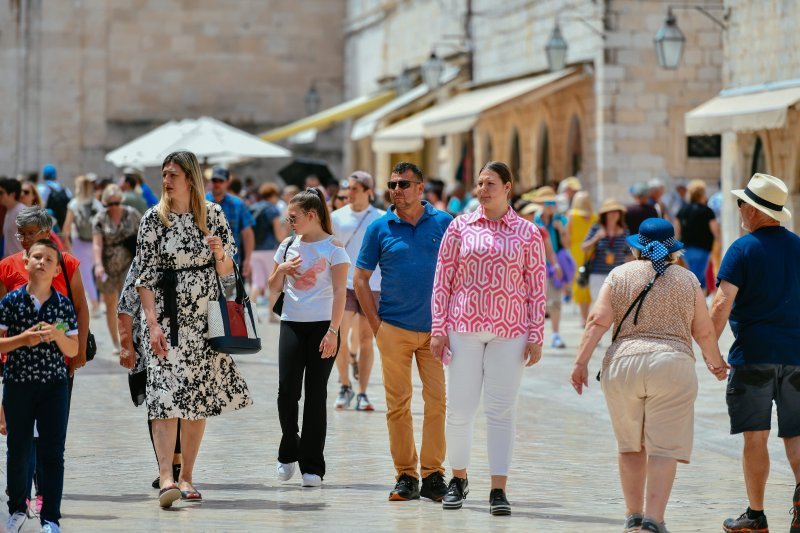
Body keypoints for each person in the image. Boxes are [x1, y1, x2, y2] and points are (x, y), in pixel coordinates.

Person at [570, 217, 728, 533]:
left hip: (624, 364)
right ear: (673, 250)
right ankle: (654, 520)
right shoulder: (688, 280)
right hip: (672, 365)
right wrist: (716, 363)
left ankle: (633, 517)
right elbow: (704, 331)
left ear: (637, 247)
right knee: (664, 446)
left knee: (630, 444)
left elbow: (597, 321)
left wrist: (581, 363)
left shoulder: (619, 274)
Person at [136, 150, 252, 509]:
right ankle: (167, 477)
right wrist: (151, 324)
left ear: (190, 178)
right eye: (164, 174)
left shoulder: (213, 214)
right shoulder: (154, 219)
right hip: (165, 320)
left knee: (196, 399)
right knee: (164, 397)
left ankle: (187, 476)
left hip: (204, 320)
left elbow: (228, 272)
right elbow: (144, 277)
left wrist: (219, 253)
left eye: (173, 174)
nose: (167, 180)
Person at [431, 161, 546, 515]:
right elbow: (442, 279)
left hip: (510, 331)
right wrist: (438, 329)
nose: (483, 189)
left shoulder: (528, 232)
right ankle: (459, 478)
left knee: (501, 412)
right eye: (479, 183)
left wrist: (535, 333)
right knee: (460, 409)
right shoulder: (459, 227)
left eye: (490, 183)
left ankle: (499, 488)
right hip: (462, 327)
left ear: (508, 187)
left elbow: (536, 284)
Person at [354, 162, 453, 502]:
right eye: (392, 184)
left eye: (404, 184)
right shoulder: (380, 228)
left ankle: (434, 474)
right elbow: (360, 278)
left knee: (437, 402)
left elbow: (459, 273)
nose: (397, 190)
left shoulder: (445, 223)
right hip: (393, 328)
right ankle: (406, 475)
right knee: (398, 405)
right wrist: (375, 324)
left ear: (421, 188)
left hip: (437, 331)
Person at [708, 173, 800, 533]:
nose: (739, 210)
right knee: (795, 433)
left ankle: (756, 516)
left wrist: (708, 350)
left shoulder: (742, 249)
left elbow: (721, 304)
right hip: (797, 356)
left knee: (756, 436)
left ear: (752, 209)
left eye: (741, 203)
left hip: (753, 357)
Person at [268, 188, 349, 487]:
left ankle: (312, 465)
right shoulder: (287, 245)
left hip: (323, 327)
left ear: (311, 216)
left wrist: (333, 331)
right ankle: (289, 449)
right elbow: (271, 288)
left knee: (316, 395)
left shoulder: (333, 249)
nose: (289, 222)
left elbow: (341, 292)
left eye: (293, 217)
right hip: (291, 323)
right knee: (287, 392)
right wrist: (283, 270)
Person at [2, 239, 79, 533]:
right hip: (18, 384)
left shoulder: (62, 305)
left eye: (48, 259)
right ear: (25, 262)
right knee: (17, 448)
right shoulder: (10, 303)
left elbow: (72, 348)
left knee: (52, 451)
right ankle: (17, 509)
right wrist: (24, 339)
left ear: (57, 268)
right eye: (36, 257)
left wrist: (56, 337)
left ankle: (51, 518)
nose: (42, 262)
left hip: (53, 387)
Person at [117, 257, 183, 490]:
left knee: (183, 401)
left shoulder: (193, 250)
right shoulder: (145, 256)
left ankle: (177, 463)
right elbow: (126, 302)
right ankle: (167, 466)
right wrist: (126, 344)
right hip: (148, 345)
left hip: (185, 341)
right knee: (157, 400)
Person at [0, 207, 89, 376]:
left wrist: (80, 349)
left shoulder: (67, 264)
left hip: (60, 357)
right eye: (21, 234)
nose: (24, 240)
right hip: (17, 360)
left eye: (30, 233)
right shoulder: (6, 267)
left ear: (47, 232)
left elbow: (81, 308)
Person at [330, 171, 385, 411]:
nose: (349, 193)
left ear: (368, 191)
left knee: (365, 340)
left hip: (373, 287)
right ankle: (344, 385)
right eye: (348, 188)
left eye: (354, 189)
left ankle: (362, 392)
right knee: (340, 337)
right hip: (345, 286)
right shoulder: (336, 217)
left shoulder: (381, 218)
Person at [93, 184, 141, 354]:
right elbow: (97, 244)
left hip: (129, 263)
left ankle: (131, 338)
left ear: (121, 200)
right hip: (108, 265)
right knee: (111, 303)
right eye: (109, 204)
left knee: (129, 301)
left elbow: (144, 236)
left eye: (116, 202)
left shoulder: (132, 214)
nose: (113, 207)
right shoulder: (99, 218)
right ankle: (116, 341)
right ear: (105, 203)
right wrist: (98, 264)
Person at [60, 175, 102, 317]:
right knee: (94, 272)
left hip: (80, 243)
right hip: (95, 242)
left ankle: (95, 304)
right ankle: (100, 300)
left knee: (85, 275)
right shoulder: (97, 203)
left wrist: (67, 247)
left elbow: (66, 229)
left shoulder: (74, 204)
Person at [533, 186, 570, 348]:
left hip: (553, 265)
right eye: (547, 202)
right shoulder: (533, 220)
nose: (550, 206)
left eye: (552, 203)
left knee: (555, 301)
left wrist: (561, 230)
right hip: (534, 265)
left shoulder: (560, 220)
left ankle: (555, 334)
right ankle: (535, 335)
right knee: (536, 303)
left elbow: (567, 244)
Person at [206, 166, 255, 278]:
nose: (217, 183)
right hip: (205, 266)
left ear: (227, 182)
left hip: (231, 265)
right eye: (214, 180)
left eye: (221, 181)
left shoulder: (238, 204)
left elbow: (247, 233)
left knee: (231, 296)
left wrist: (247, 259)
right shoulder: (200, 202)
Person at [582, 199, 631, 303]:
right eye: (611, 212)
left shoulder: (625, 231)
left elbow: (628, 255)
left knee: (615, 308)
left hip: (618, 276)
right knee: (599, 305)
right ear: (605, 214)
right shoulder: (596, 228)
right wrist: (596, 238)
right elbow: (584, 248)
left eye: (616, 211)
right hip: (597, 275)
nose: (614, 214)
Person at [675, 180, 720, 291]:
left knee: (699, 279)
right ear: (702, 194)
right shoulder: (707, 211)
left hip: (686, 249)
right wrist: (718, 242)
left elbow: (676, 230)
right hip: (703, 249)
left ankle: (701, 306)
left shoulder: (682, 210)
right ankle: (691, 306)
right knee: (696, 281)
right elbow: (715, 230)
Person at [248, 183, 286, 314]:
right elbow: (279, 235)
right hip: (269, 250)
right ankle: (271, 314)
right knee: (273, 281)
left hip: (253, 249)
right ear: (273, 195)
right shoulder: (272, 209)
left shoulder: (253, 208)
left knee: (257, 282)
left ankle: (250, 312)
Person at [566, 191, 597, 326]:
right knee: (589, 281)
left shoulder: (571, 216)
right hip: (592, 250)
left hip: (576, 251)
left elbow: (567, 236)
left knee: (579, 282)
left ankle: (583, 317)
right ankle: (589, 314)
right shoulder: (595, 217)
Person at [36, 165, 72, 231]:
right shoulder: (65, 189)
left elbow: (39, 206)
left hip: (48, 226)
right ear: (55, 176)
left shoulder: (42, 188)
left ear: (44, 176)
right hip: (62, 224)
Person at [0, 178, 27, 257]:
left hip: (20, 263)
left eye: (1, 193)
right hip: (10, 263)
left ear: (12, 195)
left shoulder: (22, 211)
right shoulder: (8, 210)